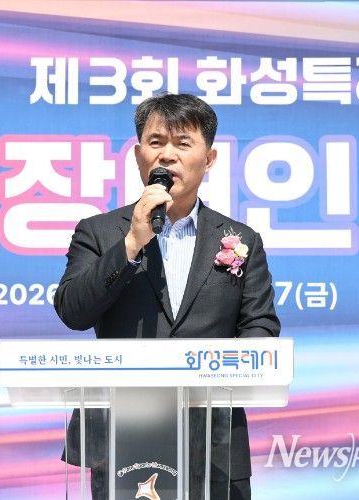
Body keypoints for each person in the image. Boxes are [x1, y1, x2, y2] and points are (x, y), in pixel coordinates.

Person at [54, 93, 280, 499]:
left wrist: (216, 373)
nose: (167, 155)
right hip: (123, 437)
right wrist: (131, 243)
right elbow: (73, 311)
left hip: (214, 441)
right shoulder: (99, 232)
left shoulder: (241, 239)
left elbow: (260, 327)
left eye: (183, 143)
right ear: (138, 154)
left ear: (208, 159)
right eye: (156, 142)